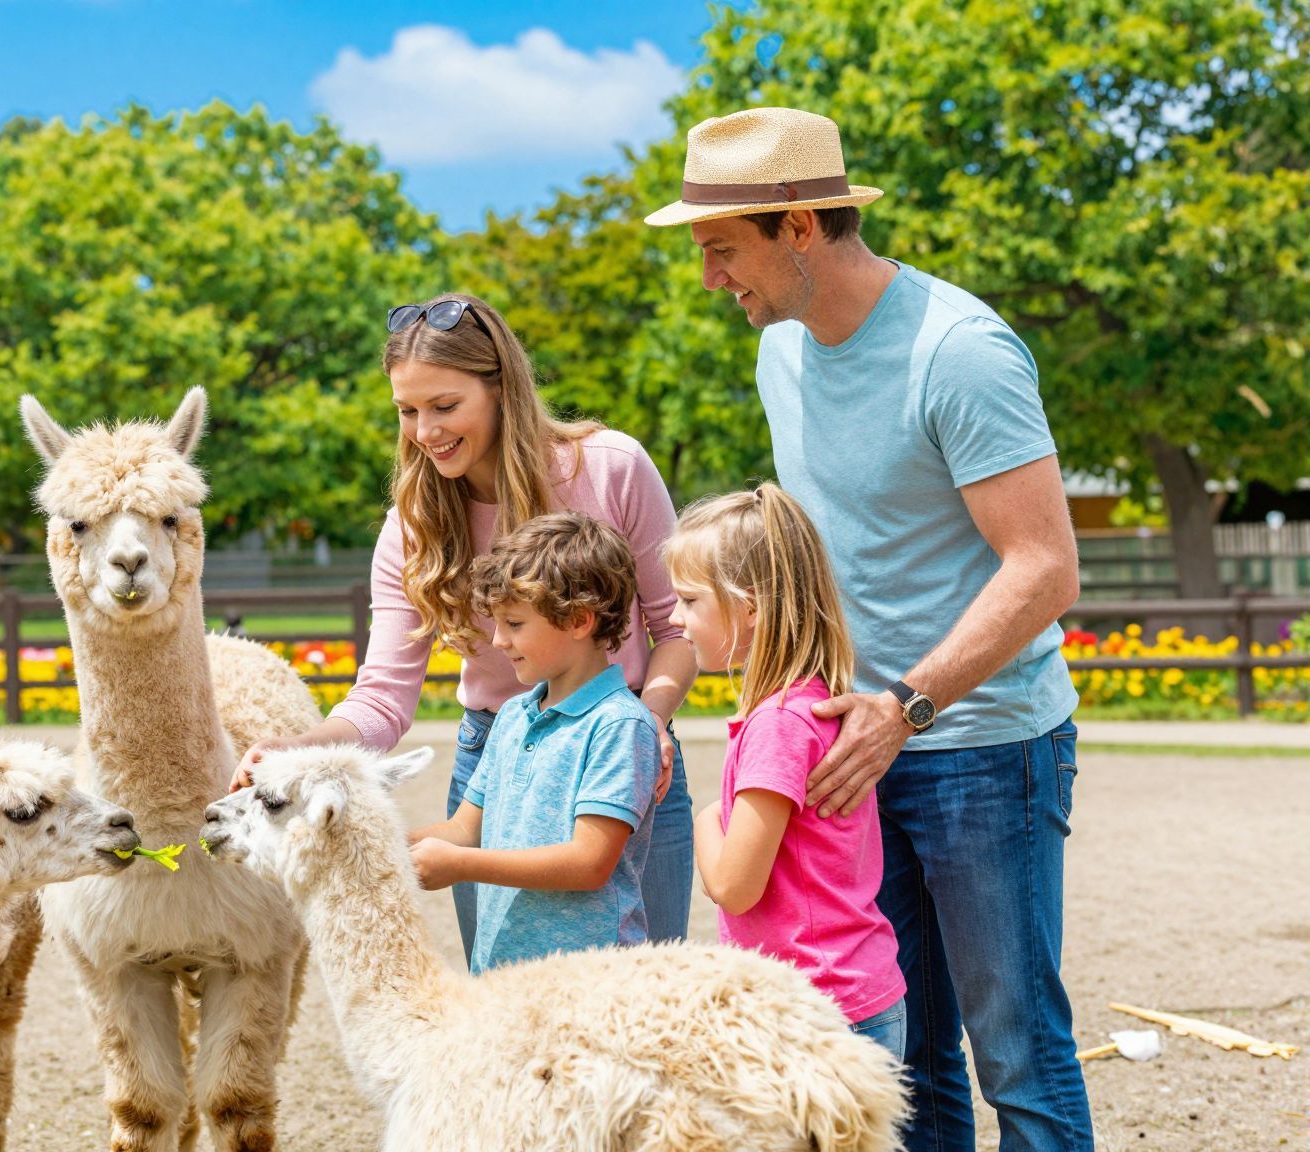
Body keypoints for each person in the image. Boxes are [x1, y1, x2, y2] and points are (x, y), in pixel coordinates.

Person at [646, 107, 1088, 1149]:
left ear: (798, 226)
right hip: (846, 749)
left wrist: (905, 704)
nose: (710, 277)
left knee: (1013, 1047)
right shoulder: (779, 354)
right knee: (900, 1053)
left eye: (721, 249)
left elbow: (1044, 566)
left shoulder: (958, 351)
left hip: (982, 744)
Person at [233, 293, 698, 961]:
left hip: (617, 747)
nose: (424, 431)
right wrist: (298, 751)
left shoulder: (610, 468)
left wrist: (649, 719)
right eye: (407, 411)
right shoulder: (415, 524)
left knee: (649, 998)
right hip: (497, 758)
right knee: (507, 1005)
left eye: (444, 407)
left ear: (501, 387)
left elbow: (674, 627)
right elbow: (383, 696)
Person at [664, 483, 906, 1059]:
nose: (675, 618)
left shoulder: (778, 726)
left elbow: (732, 887)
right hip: (853, 996)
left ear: (749, 607)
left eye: (690, 601)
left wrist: (705, 817)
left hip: (813, 1012)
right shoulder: (812, 703)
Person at [406, 512, 659, 973]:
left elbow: (588, 863)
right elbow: (464, 830)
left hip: (591, 982)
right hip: (507, 981)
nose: (499, 641)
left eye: (514, 623)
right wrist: (377, 847)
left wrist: (463, 866)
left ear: (579, 620)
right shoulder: (511, 717)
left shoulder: (619, 725)